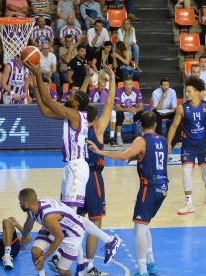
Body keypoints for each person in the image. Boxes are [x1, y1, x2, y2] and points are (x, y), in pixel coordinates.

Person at [22, 63, 122, 274]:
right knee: (67, 216)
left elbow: (50, 100)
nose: (71, 93)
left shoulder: (76, 115)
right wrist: (33, 89)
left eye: (74, 94)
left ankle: (108, 240)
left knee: (72, 218)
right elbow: (45, 110)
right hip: (71, 168)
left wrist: (39, 75)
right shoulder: (73, 113)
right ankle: (83, 260)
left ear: (76, 103)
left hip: (77, 168)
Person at [88, 111, 168, 276]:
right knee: (145, 226)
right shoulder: (163, 140)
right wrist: (138, 157)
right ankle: (151, 262)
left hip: (149, 187)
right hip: (163, 188)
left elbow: (124, 155)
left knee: (139, 229)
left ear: (140, 126)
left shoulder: (140, 140)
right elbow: (157, 158)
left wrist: (99, 151)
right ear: (155, 125)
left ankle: (143, 270)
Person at [167, 76, 206, 215]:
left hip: (203, 143)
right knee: (186, 171)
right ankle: (188, 203)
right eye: (185, 91)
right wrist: (169, 142)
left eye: (188, 91)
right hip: (188, 144)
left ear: (196, 92)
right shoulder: (182, 108)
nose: (186, 94)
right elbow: (174, 127)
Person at [77, 64, 116, 276]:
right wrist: (111, 78)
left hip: (75, 176)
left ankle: (73, 260)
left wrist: (87, 77)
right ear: (94, 118)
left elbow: (79, 99)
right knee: (95, 221)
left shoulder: (74, 125)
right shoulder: (97, 127)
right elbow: (110, 101)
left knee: (73, 221)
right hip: (92, 177)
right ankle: (89, 267)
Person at [113, 77, 144, 146]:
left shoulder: (136, 91)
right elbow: (117, 108)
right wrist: (128, 109)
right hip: (123, 114)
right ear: (123, 84)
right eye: (126, 84)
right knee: (119, 114)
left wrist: (135, 110)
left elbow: (141, 107)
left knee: (142, 113)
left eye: (130, 84)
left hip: (133, 114)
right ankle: (118, 137)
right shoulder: (119, 92)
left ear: (132, 84)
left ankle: (143, 136)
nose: (128, 86)